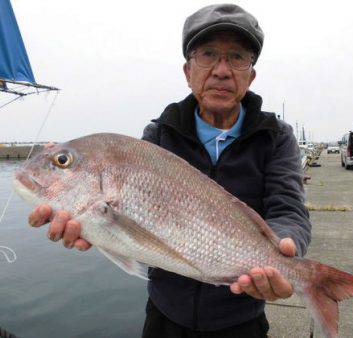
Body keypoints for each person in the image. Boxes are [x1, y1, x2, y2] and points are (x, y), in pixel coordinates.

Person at [27, 4, 311, 337]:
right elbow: (124, 225)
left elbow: (289, 209)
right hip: (165, 316)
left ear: (251, 75)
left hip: (241, 318)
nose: (221, 70)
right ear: (188, 71)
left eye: (237, 57)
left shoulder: (275, 137)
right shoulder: (158, 136)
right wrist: (93, 230)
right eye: (207, 54)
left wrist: (284, 247)